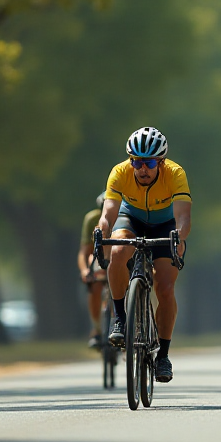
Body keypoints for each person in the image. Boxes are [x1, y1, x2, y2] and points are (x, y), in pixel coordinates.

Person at [98, 127, 191, 383]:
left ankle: (163, 356)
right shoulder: (120, 172)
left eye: (149, 163)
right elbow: (108, 213)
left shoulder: (175, 173)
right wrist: (102, 232)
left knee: (165, 288)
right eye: (136, 162)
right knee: (118, 251)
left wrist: (179, 237)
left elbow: (183, 217)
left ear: (160, 162)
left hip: (165, 225)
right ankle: (120, 318)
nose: (142, 169)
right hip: (131, 219)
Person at [78, 193, 108, 349]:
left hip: (120, 259)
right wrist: (85, 271)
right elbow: (85, 251)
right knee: (94, 284)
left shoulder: (128, 218)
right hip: (101, 259)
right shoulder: (92, 219)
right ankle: (97, 328)